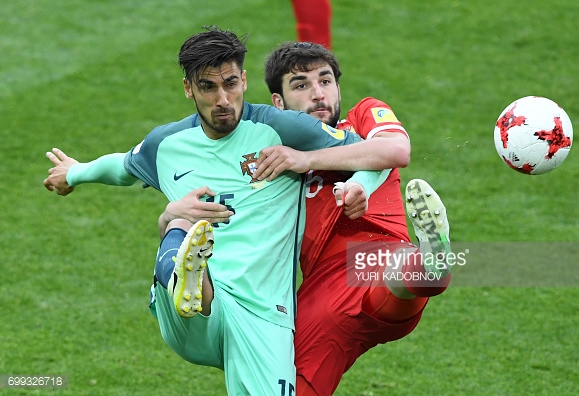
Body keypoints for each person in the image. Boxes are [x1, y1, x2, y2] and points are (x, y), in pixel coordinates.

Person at [43, 27, 401, 395]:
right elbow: (121, 166)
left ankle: (190, 271)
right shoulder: (167, 145)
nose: (223, 99)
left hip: (264, 316)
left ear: (244, 79)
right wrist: (73, 173)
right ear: (189, 89)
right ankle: (191, 279)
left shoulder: (283, 129)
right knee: (179, 218)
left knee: (176, 219)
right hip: (192, 318)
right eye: (208, 87)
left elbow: (379, 156)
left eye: (231, 83)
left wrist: (350, 181)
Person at [160, 42, 453, 395]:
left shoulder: (361, 116)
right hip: (321, 293)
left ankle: (430, 264)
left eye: (325, 81)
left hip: (374, 258)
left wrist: (348, 179)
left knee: (395, 271)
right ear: (278, 103)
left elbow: (394, 149)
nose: (318, 95)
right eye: (301, 85)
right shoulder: (275, 148)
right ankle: (429, 266)